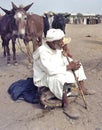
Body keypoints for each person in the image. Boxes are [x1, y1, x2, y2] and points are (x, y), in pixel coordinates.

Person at [33, 28, 95, 119]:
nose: (62, 43)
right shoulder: (42, 52)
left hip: (60, 70)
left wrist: (72, 63)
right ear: (51, 42)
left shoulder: (56, 47)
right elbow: (50, 71)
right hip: (46, 76)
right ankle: (66, 105)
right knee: (60, 79)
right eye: (60, 41)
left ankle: (82, 88)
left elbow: (64, 61)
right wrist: (68, 67)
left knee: (79, 65)